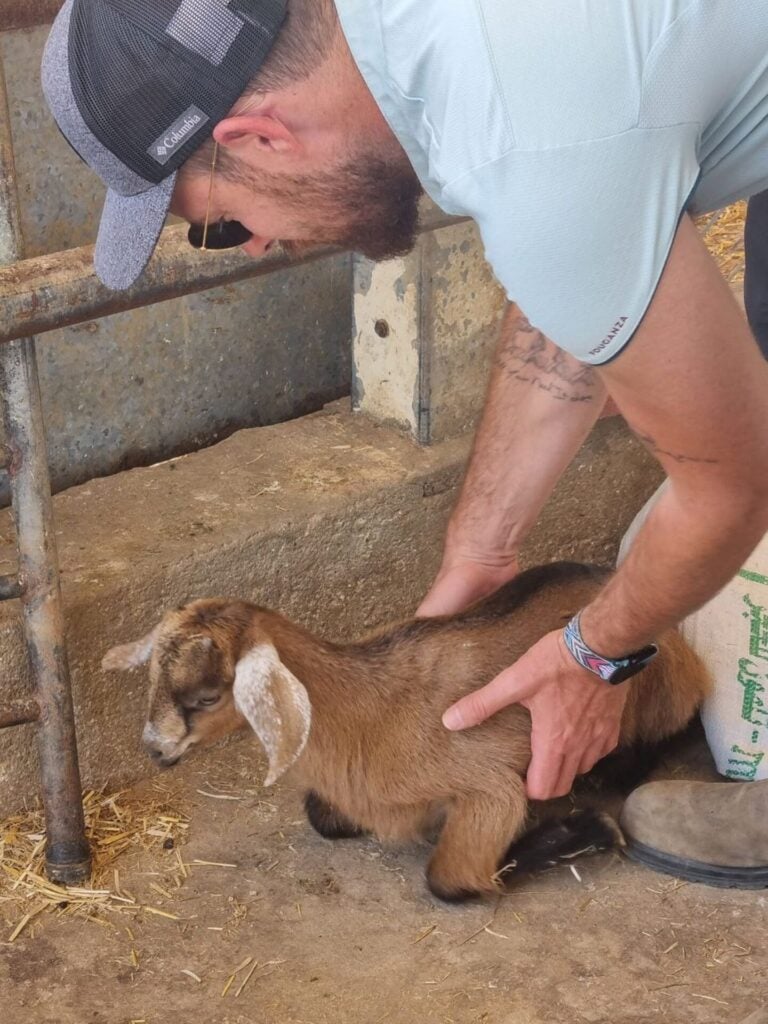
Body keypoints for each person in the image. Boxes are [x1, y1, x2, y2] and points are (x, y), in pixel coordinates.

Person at [41, 0, 768, 912]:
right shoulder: (427, 54)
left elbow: (733, 487)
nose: (259, 245)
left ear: (258, 136)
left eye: (223, 222)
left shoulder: (512, 136)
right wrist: (480, 550)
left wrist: (596, 657)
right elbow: (582, 285)